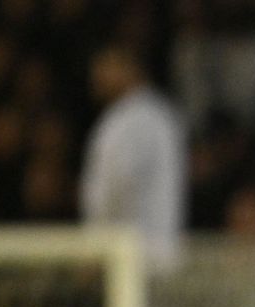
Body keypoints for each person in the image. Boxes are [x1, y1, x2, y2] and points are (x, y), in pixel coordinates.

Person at [78, 44, 189, 271]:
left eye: (106, 66)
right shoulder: (159, 114)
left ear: (130, 68)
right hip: (157, 253)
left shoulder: (131, 119)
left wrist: (96, 245)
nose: (97, 74)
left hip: (129, 258)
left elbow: (116, 187)